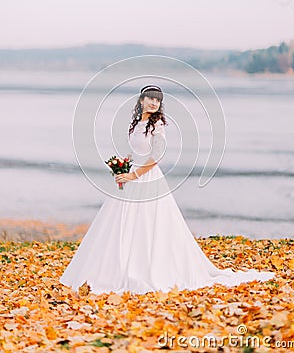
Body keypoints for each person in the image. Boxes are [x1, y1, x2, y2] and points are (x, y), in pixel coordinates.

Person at [59, 84, 275, 295]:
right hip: (131, 176)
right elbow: (133, 153)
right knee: (117, 223)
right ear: (141, 101)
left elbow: (157, 156)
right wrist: (121, 169)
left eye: (157, 100)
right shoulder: (135, 124)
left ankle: (146, 267)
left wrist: (134, 174)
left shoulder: (158, 125)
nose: (154, 103)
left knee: (150, 224)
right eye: (150, 98)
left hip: (147, 177)